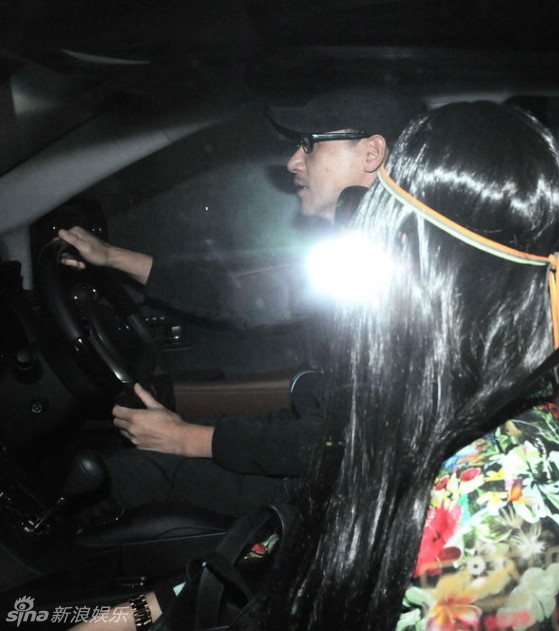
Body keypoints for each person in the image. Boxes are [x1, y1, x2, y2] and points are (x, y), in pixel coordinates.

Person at [71, 101, 559, 630]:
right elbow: (303, 552)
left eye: (379, 228)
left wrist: (192, 442)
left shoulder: (503, 502)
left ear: (423, 260)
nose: (293, 162)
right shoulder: (416, 411)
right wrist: (167, 604)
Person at [57, 87, 425, 516]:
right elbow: (243, 297)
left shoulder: (406, 271)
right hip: (327, 459)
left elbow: (356, 441)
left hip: (347, 496)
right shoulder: (361, 256)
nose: (293, 161)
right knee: (142, 460)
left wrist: (188, 439)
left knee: (131, 477)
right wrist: (113, 258)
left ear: (371, 153)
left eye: (309, 144)